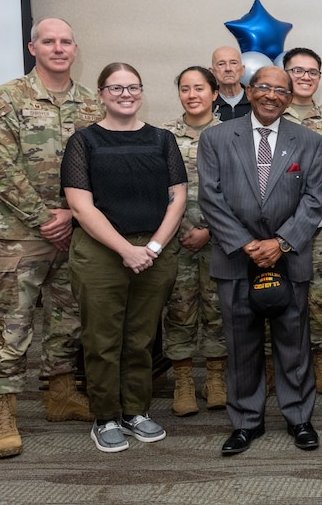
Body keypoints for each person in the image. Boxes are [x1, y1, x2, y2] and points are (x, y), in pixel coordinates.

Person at [0, 17, 101, 459]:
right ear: (33, 48)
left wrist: (72, 215)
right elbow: (1, 171)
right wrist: (45, 217)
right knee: (14, 321)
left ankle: (60, 393)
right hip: (22, 234)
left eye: (66, 41)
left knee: (70, 315)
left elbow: (104, 165)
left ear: (75, 48)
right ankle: (3, 409)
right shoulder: (2, 102)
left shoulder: (92, 105)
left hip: (78, 229)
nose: (59, 48)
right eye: (49, 41)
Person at [198, 66, 322, 456]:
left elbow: (313, 199)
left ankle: (299, 418)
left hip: (288, 258)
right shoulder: (216, 137)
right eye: (264, 87)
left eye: (281, 90)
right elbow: (211, 197)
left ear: (290, 98)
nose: (272, 95)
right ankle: (245, 422)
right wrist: (247, 244)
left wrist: (281, 242)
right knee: (241, 344)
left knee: (294, 342)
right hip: (236, 258)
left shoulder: (310, 141)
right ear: (248, 90)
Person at [62, 63, 187, 453]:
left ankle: (136, 411)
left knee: (141, 338)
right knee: (102, 338)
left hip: (154, 252)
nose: (125, 94)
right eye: (115, 88)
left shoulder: (163, 140)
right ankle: (105, 416)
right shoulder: (84, 142)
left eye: (133, 87)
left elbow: (177, 197)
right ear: (100, 94)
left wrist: (150, 248)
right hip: (101, 253)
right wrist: (126, 250)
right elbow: (81, 207)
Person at [161, 66, 227, 417]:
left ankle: (215, 379)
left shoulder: (232, 134)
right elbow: (157, 190)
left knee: (218, 308)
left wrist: (210, 231)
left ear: (214, 93)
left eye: (199, 88)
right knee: (179, 309)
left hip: (221, 239)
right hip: (177, 239)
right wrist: (182, 229)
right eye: (184, 88)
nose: (192, 95)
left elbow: (242, 192)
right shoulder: (164, 136)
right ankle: (183, 381)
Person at [281, 48, 322, 395]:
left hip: (319, 225)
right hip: (275, 226)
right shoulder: (272, 115)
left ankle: (321, 362)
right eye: (298, 70)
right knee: (278, 295)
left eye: (312, 72)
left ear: (320, 79)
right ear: (285, 73)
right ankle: (276, 364)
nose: (305, 77)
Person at [210, 46, 250, 121]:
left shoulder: (254, 100)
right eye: (221, 64)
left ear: (242, 70)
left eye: (233, 63)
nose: (228, 69)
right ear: (212, 72)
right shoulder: (207, 103)